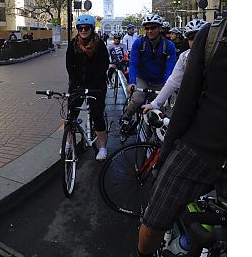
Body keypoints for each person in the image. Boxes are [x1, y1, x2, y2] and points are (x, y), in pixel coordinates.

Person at [129, 0, 226, 257]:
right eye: (150, 28)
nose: (154, 31)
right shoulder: (210, 38)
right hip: (200, 146)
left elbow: (174, 73)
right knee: (136, 100)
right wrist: (145, 96)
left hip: (202, 142)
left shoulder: (174, 48)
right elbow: (175, 84)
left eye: (157, 28)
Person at [119, 13, 177, 136]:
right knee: (138, 98)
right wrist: (132, 82)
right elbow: (133, 63)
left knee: (158, 112)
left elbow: (170, 68)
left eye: (153, 28)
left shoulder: (169, 46)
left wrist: (168, 86)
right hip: (143, 78)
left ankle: (151, 139)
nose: (149, 31)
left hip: (160, 81)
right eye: (147, 28)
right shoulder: (139, 43)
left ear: (160, 28)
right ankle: (127, 116)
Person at [65, 14, 110, 161]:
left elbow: (103, 65)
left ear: (91, 28)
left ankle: (103, 147)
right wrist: (76, 84)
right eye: (81, 28)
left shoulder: (99, 44)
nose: (83, 30)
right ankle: (68, 143)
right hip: (77, 83)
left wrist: (94, 85)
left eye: (86, 28)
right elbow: (69, 66)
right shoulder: (73, 44)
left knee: (97, 114)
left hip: (96, 85)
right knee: (71, 114)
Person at [140, 19, 205, 115]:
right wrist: (154, 104)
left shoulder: (219, 55)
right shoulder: (184, 57)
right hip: (191, 102)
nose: (194, 41)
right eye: (191, 38)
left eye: (199, 37)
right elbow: (172, 82)